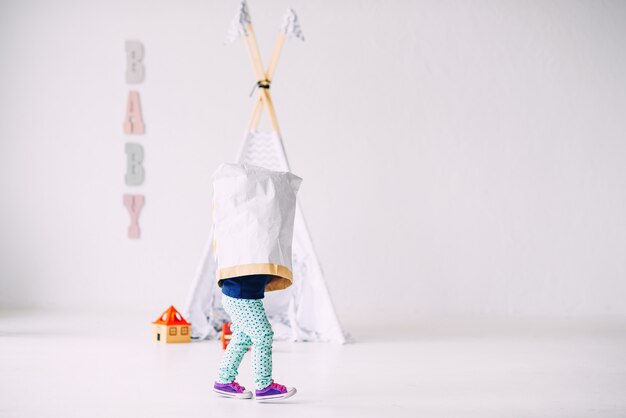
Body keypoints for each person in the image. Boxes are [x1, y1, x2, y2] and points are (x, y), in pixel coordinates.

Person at [211, 163, 301, 401]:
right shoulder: (245, 238)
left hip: (240, 295)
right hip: (239, 295)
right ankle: (263, 385)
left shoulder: (250, 238)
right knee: (263, 334)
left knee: (242, 337)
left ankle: (224, 380)